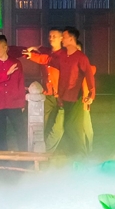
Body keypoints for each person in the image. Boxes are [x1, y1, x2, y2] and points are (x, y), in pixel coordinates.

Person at [24, 27, 95, 156]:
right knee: (66, 127)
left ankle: (82, 155)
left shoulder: (79, 58)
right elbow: (48, 59)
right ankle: (76, 155)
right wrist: (32, 55)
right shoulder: (62, 56)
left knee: (73, 127)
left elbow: (89, 74)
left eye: (64, 37)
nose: (62, 39)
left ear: (70, 39)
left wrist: (91, 94)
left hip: (75, 99)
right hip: (62, 97)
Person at [0, 35, 28, 151]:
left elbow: (20, 83)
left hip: (13, 102)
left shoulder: (16, 63)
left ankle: (24, 156)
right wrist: (6, 74)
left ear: (5, 47)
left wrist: (22, 102)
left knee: (20, 130)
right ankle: (1, 157)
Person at [25, 28, 65, 152]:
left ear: (61, 38)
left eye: (54, 36)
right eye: (50, 36)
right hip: (47, 94)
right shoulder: (46, 51)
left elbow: (46, 59)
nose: (51, 38)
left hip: (61, 95)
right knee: (41, 123)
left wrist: (33, 55)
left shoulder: (64, 54)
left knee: (59, 126)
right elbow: (39, 51)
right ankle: (38, 149)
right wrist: (33, 49)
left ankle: (47, 151)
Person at [76, 40, 96, 153]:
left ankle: (90, 151)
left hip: (83, 102)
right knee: (79, 130)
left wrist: (90, 97)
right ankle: (83, 152)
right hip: (72, 103)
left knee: (87, 129)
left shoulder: (87, 68)